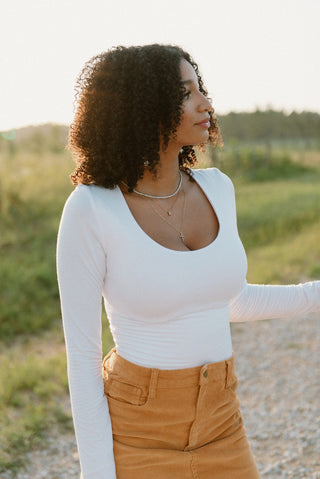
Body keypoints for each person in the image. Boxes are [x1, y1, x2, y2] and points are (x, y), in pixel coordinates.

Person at [56, 44, 320, 479]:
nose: (206, 104)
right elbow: (83, 358)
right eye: (186, 93)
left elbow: (228, 302)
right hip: (138, 432)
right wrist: (98, 473)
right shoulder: (91, 209)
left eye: (202, 89)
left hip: (221, 423)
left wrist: (313, 295)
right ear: (141, 107)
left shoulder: (218, 188)